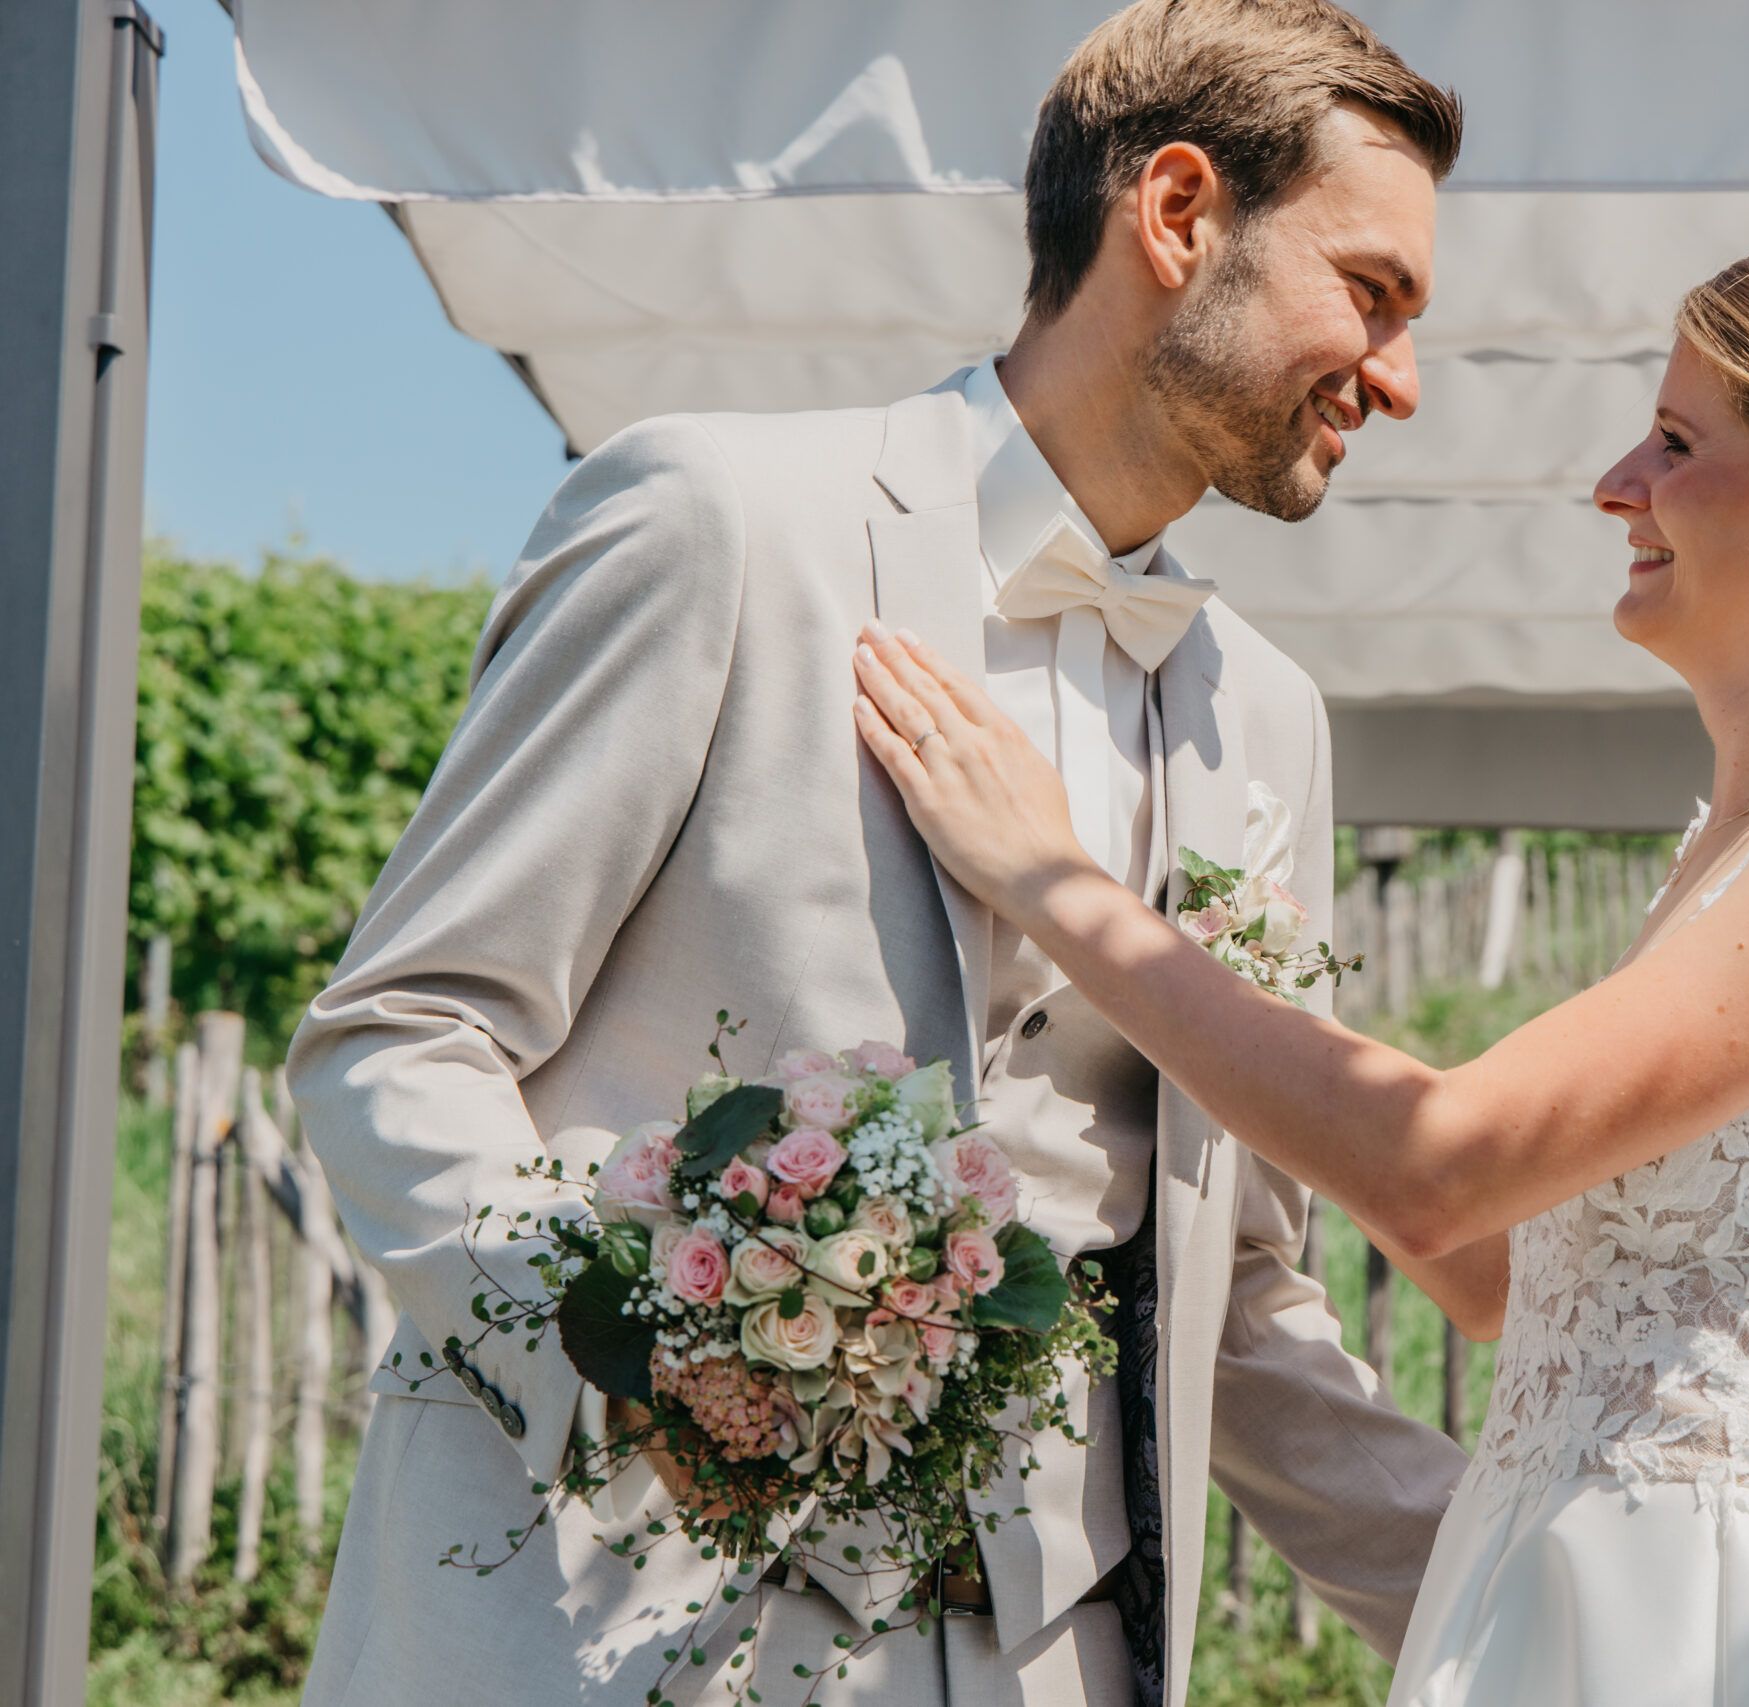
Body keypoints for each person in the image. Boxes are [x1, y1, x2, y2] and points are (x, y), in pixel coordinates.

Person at [851, 234, 1749, 1705]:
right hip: (1574, 1598)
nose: (1615, 483)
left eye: (1678, 443)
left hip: (1721, 1631)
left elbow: (1438, 1166)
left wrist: (1055, 880)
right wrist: (1235, 1027)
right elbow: (1503, 1271)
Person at [284, 4, 1469, 1702]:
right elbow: (397, 1037)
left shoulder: (1265, 721)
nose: (1402, 380)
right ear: (1181, 213)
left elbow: (1235, 1289)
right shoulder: (716, 522)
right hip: (610, 1630)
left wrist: (1529, 1596)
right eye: (1376, 292)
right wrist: (645, 1354)